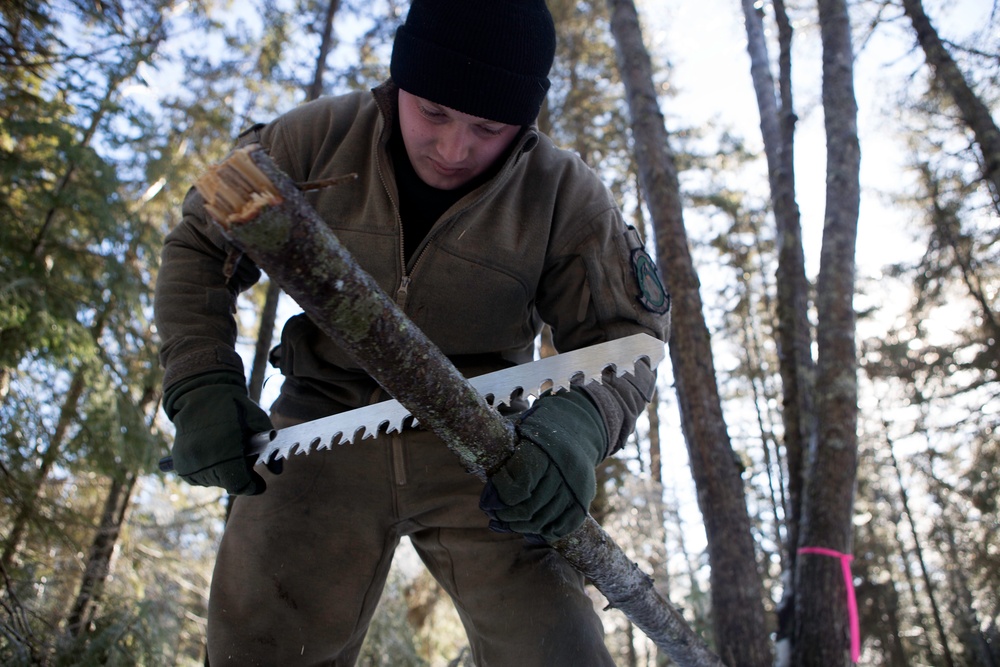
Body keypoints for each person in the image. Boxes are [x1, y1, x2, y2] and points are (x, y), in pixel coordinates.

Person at [154, 0, 670, 664]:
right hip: (320, 424)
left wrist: (579, 422)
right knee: (260, 640)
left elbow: (625, 334)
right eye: (433, 111)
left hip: (487, 444)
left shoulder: (565, 195)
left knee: (557, 650)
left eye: (488, 126)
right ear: (400, 80)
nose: (455, 148)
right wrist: (199, 380)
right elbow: (200, 243)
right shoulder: (312, 139)